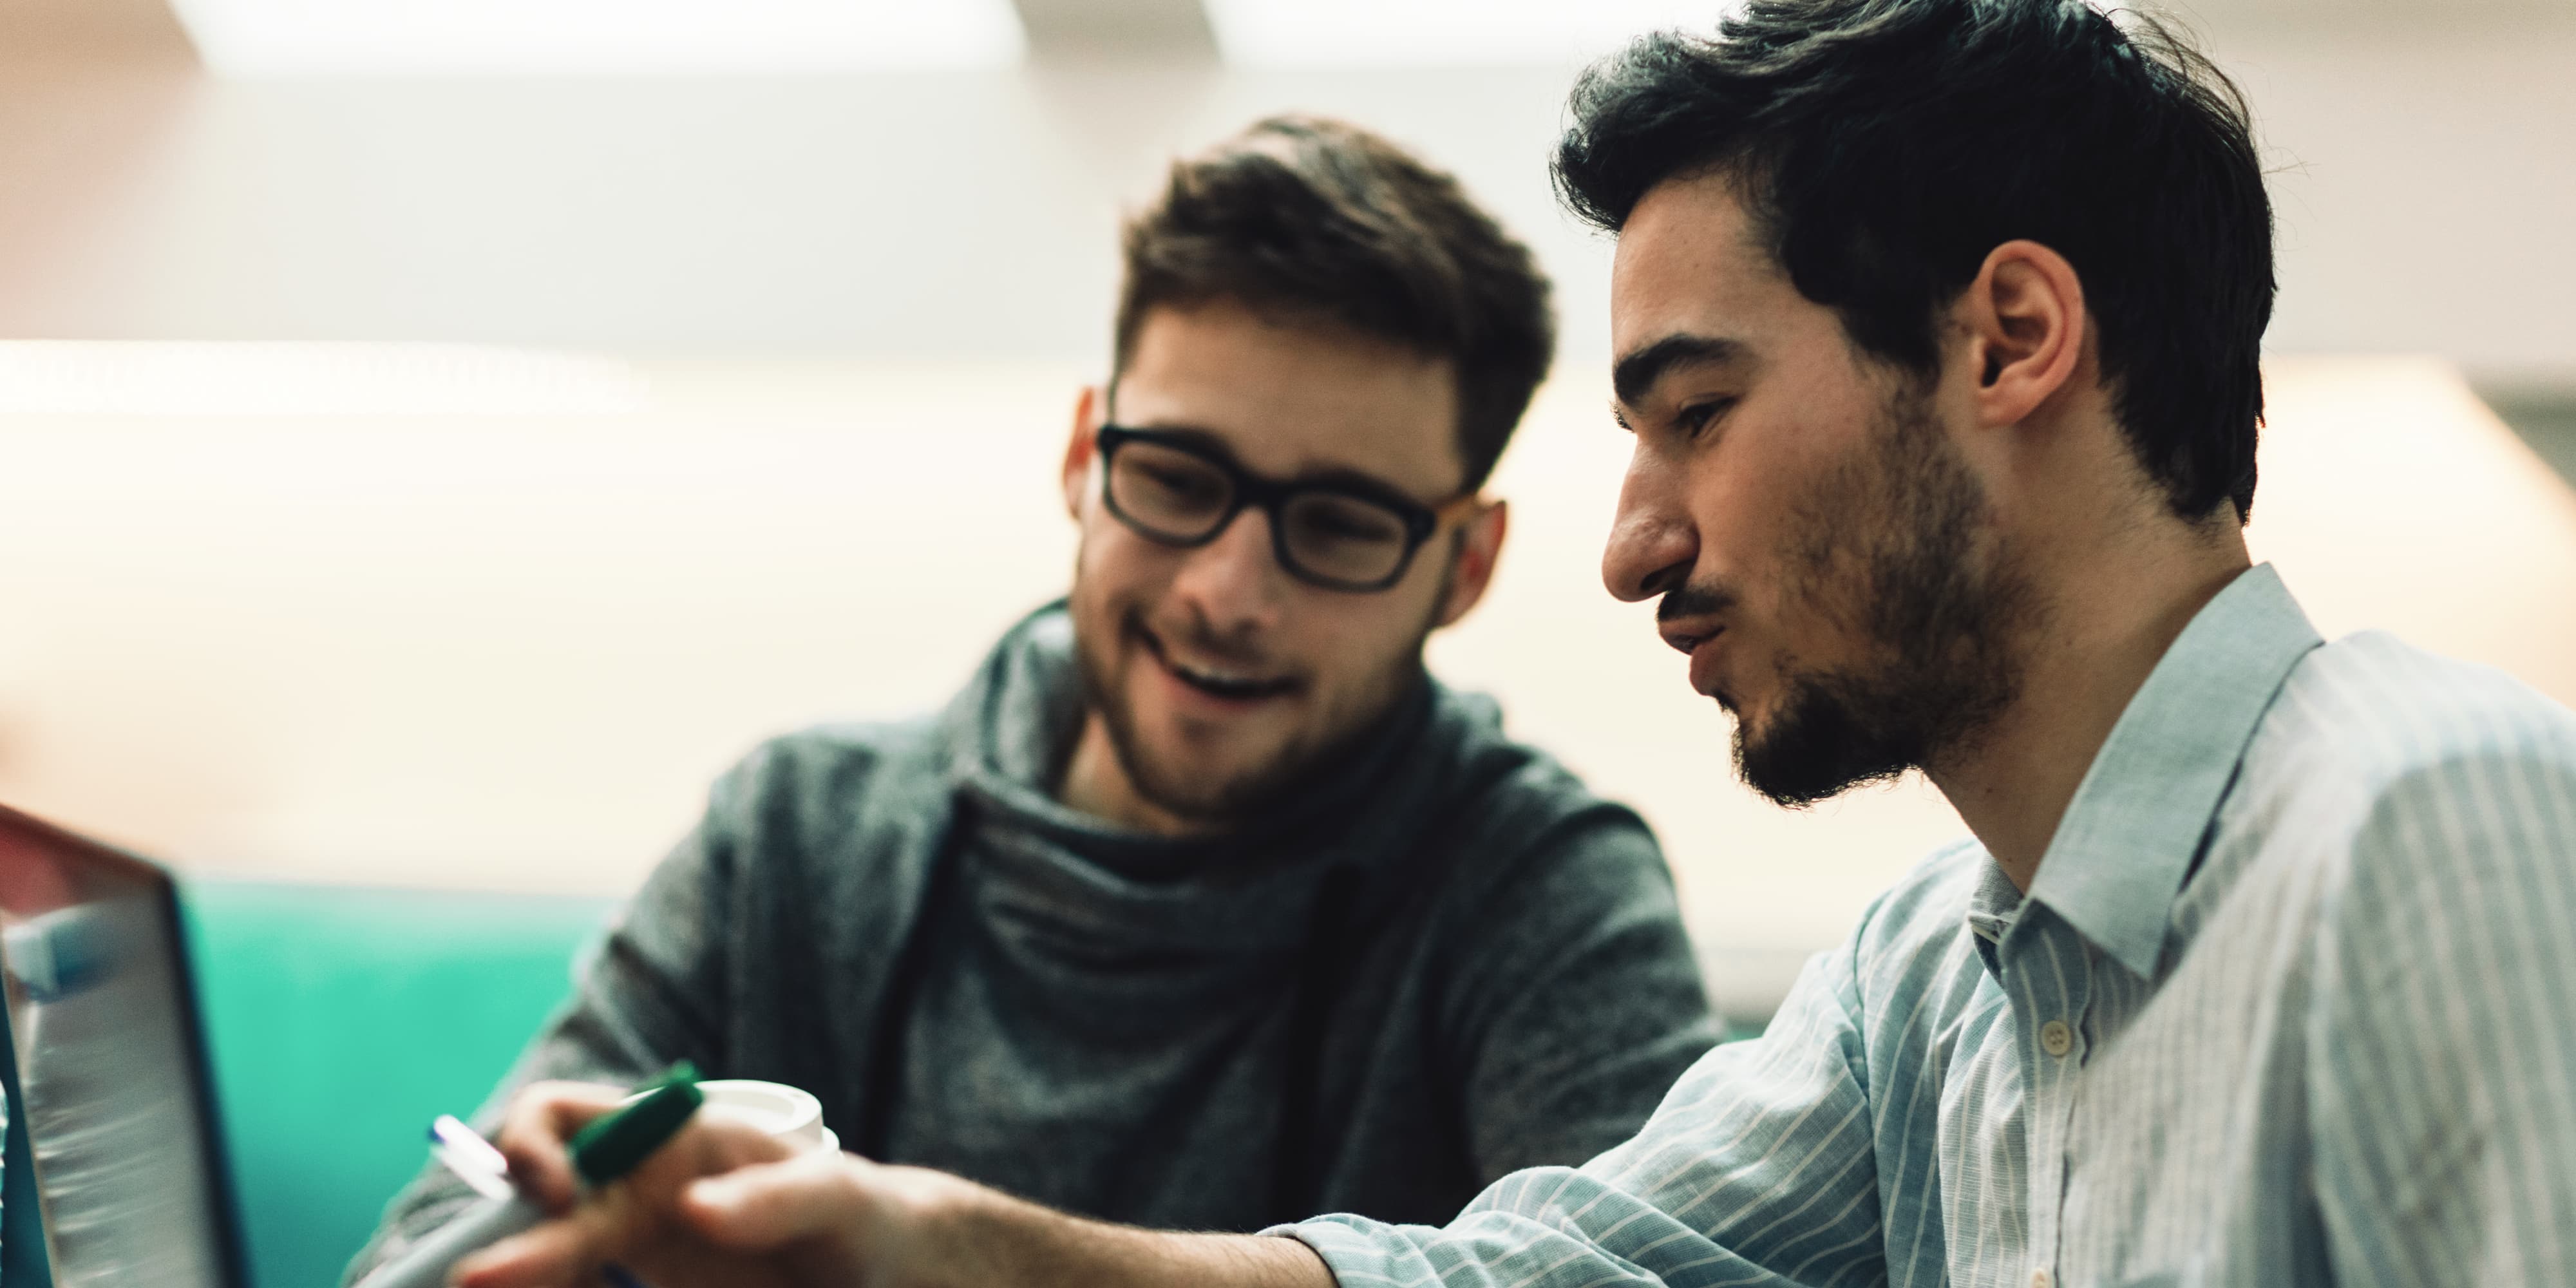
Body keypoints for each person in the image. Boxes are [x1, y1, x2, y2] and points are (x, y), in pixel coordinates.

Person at [448, 2, 2576, 1287]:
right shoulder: (1935, 973)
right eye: (1178, 485)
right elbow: (1523, 1271)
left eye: (1696, 413)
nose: (1637, 540)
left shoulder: (2432, 829)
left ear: (2010, 338)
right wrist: (932, 1249)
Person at [341, 115, 1724, 1280]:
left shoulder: (1539, 896)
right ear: (1082, 455)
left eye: (1339, 522)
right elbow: (443, 1237)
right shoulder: (797, 834)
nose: (1225, 591)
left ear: (1463, 563)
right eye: (1176, 480)